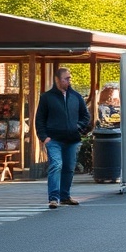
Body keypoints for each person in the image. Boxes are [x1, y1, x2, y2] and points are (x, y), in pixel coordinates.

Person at [34, 66, 90, 209]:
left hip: (71, 139)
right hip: (53, 139)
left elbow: (85, 116)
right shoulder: (47, 98)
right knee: (56, 165)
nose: (68, 81)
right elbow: (39, 119)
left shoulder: (76, 97)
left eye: (69, 78)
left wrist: (78, 126)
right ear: (57, 80)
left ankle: (65, 196)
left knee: (69, 168)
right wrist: (44, 137)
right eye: (66, 78)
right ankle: (54, 198)